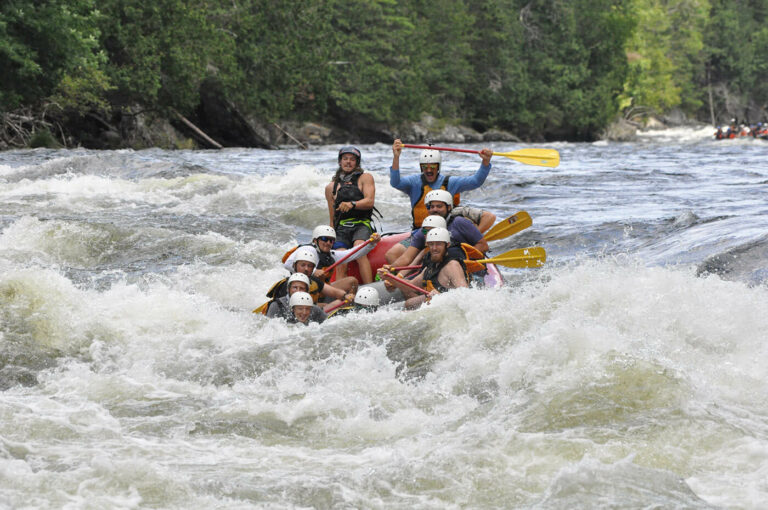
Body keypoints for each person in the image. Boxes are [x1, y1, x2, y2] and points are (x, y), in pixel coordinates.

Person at [386, 139, 493, 262]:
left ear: (438, 167)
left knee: (425, 256)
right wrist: (396, 157)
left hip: (444, 232)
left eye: (433, 166)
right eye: (425, 167)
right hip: (420, 231)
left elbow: (475, 181)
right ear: (421, 167)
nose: (429, 170)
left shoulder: (450, 182)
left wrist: (485, 162)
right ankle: (406, 278)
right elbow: (395, 182)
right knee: (391, 255)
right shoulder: (414, 182)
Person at [325, 146, 377, 284]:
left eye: (352, 159)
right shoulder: (331, 187)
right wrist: (330, 237)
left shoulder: (365, 178)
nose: (348, 162)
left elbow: (369, 201)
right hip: (342, 228)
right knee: (341, 257)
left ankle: (369, 287)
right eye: (345, 159)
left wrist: (352, 204)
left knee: (358, 250)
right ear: (340, 162)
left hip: (362, 224)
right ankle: (340, 293)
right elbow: (332, 218)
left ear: (357, 163)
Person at [386, 228, 469, 309]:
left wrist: (442, 297)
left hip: (451, 308)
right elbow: (411, 286)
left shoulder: (452, 266)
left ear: (447, 245)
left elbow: (465, 295)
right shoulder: (431, 266)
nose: (434, 248)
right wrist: (390, 278)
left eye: (438, 244)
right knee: (409, 303)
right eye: (431, 244)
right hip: (438, 307)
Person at [283, 225, 381, 294]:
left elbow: (353, 253)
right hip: (303, 289)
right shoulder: (307, 250)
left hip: (321, 290)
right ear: (315, 240)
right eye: (325, 239)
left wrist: (371, 243)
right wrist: (314, 271)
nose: (328, 243)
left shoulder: (331, 255)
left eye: (331, 240)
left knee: (352, 281)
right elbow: (288, 264)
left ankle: (346, 305)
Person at [268, 245, 354, 313]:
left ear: (313, 268)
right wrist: (317, 305)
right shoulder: (286, 284)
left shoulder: (314, 281)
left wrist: (345, 296)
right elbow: (283, 306)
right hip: (292, 315)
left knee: (338, 302)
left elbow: (334, 292)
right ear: (294, 266)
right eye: (303, 265)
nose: (306, 269)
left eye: (309, 266)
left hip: (307, 313)